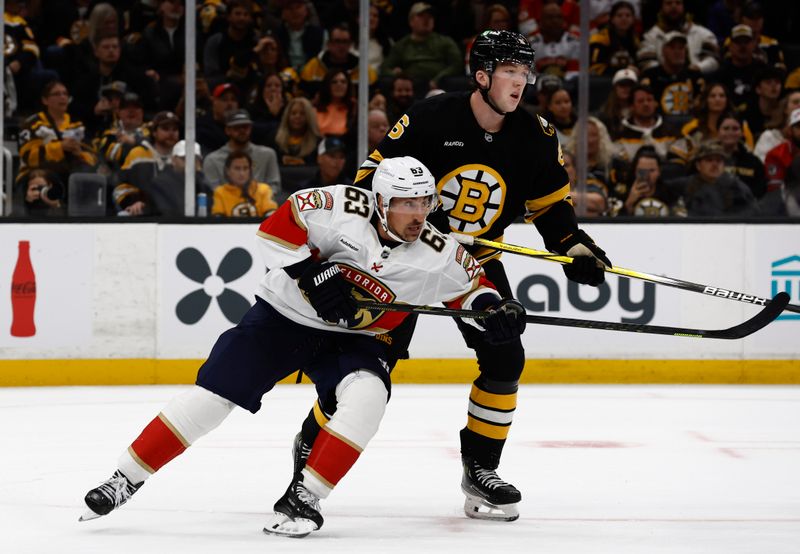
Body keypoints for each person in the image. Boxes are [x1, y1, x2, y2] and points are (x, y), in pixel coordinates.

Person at [80, 156, 526, 537]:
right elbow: (276, 228)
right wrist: (308, 272)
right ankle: (125, 478)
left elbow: (471, 289)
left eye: (424, 202)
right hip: (283, 319)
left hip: (354, 338)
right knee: (213, 397)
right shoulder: (338, 207)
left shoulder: (435, 249)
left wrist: (496, 310)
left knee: (369, 396)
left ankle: (304, 496)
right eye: (406, 203)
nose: (417, 214)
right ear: (380, 202)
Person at [290, 29, 612, 523]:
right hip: (404, 259)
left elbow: (553, 212)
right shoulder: (429, 118)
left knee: (505, 353)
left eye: (525, 72)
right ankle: (311, 448)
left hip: (476, 263)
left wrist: (576, 247)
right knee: (368, 364)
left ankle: (481, 469)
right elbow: (367, 182)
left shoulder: (537, 136)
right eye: (509, 71)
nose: (520, 81)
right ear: (481, 76)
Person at [17, 80, 98, 188]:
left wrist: (79, 153)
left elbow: (93, 157)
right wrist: (60, 147)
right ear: (45, 100)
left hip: (69, 173)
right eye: (57, 94)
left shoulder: (77, 125)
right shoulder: (32, 123)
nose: (62, 97)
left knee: (91, 177)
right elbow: (29, 157)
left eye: (65, 94)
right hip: (36, 173)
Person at [380, 3, 462, 93]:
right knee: (385, 82)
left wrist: (438, 78)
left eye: (430, 17)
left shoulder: (445, 41)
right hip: (412, 85)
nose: (426, 20)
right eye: (421, 16)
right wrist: (398, 75)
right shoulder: (402, 45)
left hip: (440, 83)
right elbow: (385, 68)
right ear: (411, 21)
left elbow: (457, 64)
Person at [202, 108, 281, 191]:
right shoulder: (212, 160)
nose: (242, 130)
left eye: (245, 127)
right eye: (237, 127)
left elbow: (274, 186)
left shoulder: (267, 155)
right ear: (227, 130)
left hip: (260, 202)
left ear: (250, 128)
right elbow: (212, 192)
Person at [147, 140, 213, 216]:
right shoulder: (160, 184)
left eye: (195, 159)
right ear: (173, 160)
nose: (190, 163)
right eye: (184, 158)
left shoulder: (204, 184)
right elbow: (171, 213)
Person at [211, 151, 278, 217]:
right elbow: (217, 220)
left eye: (245, 168)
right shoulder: (220, 192)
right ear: (227, 171)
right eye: (237, 168)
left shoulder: (264, 189)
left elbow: (272, 216)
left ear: (250, 170)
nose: (242, 173)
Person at [589, 1, 640, 77]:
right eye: (619, 15)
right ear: (612, 19)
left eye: (628, 15)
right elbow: (595, 68)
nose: (624, 19)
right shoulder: (600, 38)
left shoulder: (636, 40)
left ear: (633, 19)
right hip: (604, 81)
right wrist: (624, 71)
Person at [273, 96, 322, 165]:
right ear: (287, 116)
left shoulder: (318, 142)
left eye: (302, 114)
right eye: (293, 113)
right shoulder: (275, 138)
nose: (297, 117)